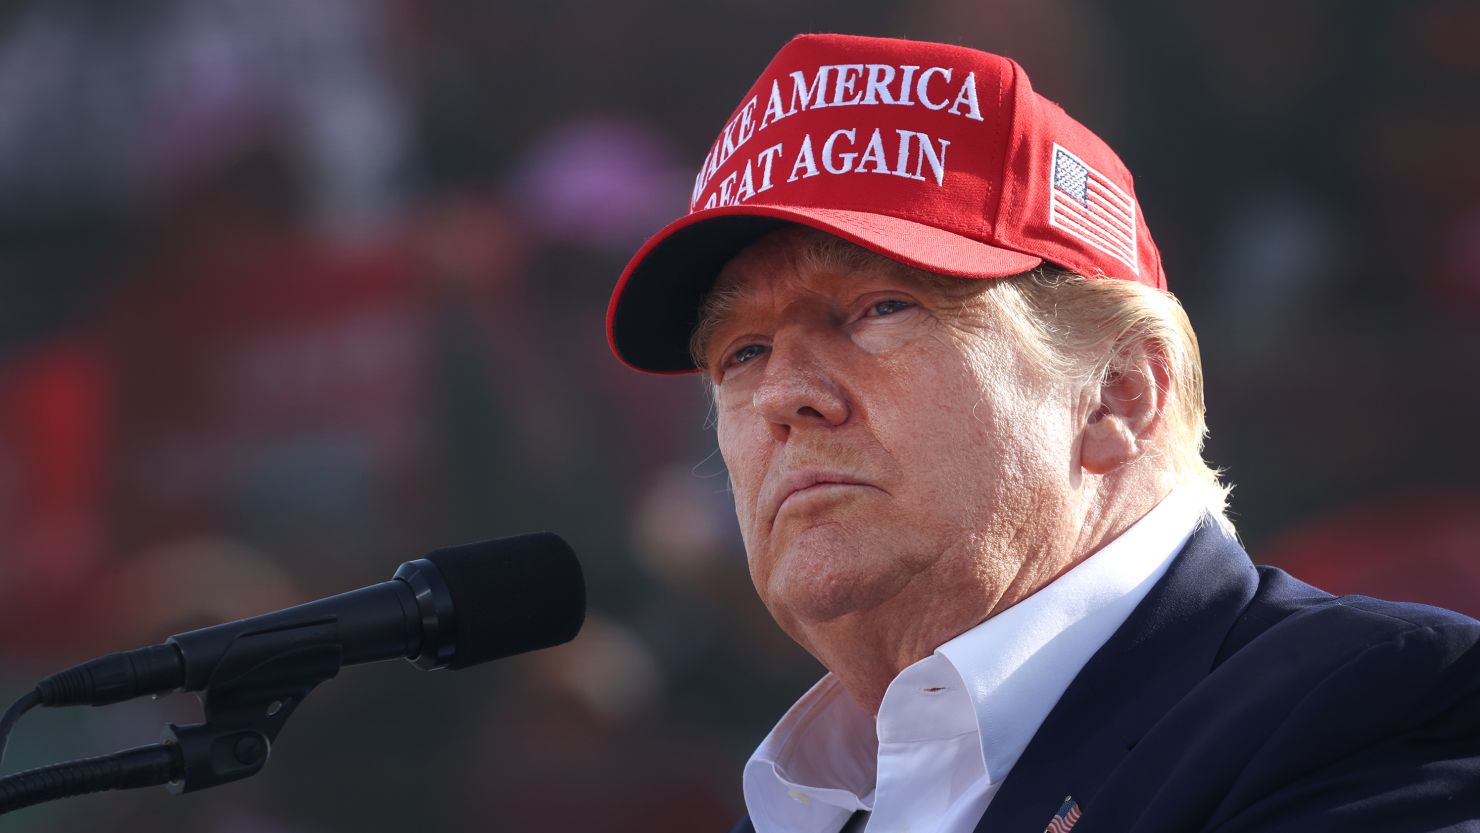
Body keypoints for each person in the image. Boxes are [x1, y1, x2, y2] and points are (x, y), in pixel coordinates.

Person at [605, 34, 1480, 833]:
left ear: (1120, 395)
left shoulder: (1367, 707)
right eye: (743, 351)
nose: (786, 395)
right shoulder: (789, 810)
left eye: (879, 309)